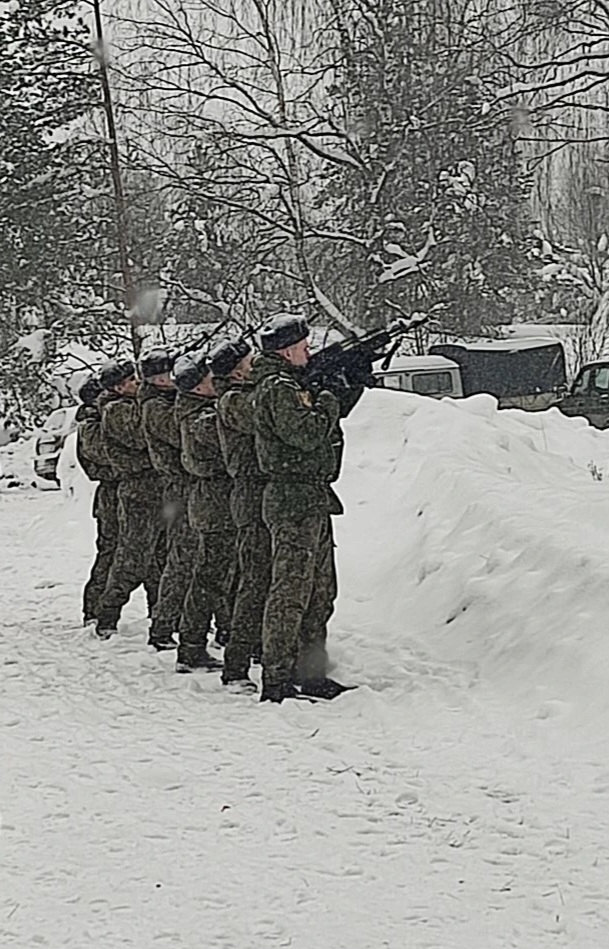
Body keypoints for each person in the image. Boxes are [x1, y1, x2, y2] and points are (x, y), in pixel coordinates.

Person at [251, 314, 352, 703]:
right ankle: (276, 679)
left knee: (319, 593)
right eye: (304, 347)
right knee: (291, 594)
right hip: (292, 500)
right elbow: (307, 433)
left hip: (310, 498)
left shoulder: (290, 384)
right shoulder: (277, 388)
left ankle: (311, 673)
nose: (308, 352)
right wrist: (328, 400)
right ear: (287, 349)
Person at [211, 337, 268, 695]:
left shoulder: (242, 393)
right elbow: (262, 414)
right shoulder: (233, 401)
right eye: (251, 361)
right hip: (250, 497)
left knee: (261, 583)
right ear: (236, 371)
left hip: (260, 495)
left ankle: (258, 648)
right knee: (253, 583)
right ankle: (236, 665)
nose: (256, 364)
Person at [94, 359, 165, 641]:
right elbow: (139, 437)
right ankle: (107, 615)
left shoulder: (132, 405)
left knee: (161, 557)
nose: (138, 385)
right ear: (118, 387)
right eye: (132, 382)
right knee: (131, 560)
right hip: (137, 492)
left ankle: (160, 614)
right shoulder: (115, 410)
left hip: (157, 490)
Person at [172, 351, 234, 673]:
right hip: (215, 507)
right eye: (211, 380)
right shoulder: (199, 419)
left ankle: (215, 637)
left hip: (217, 504)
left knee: (219, 577)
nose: (217, 382)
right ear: (197, 388)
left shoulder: (198, 410)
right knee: (209, 579)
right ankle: (191, 646)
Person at [138, 348, 196, 651]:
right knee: (181, 560)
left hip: (187, 487)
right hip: (179, 488)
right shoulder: (154, 407)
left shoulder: (163, 401)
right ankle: (163, 625)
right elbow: (180, 433)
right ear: (157, 378)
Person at [75, 373, 119, 626]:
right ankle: (94, 610)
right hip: (110, 498)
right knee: (110, 555)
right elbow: (101, 462)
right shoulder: (91, 425)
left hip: (121, 495)